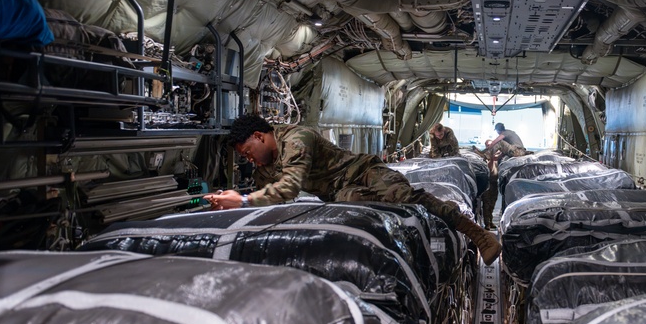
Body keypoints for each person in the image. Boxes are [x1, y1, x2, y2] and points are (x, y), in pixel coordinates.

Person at [204, 114, 501, 264]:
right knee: (357, 210)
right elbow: (271, 202)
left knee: (405, 196)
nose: (249, 158)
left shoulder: (296, 138)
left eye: (247, 151)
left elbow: (289, 187)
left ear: (258, 136)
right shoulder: (264, 169)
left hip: (362, 173)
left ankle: (478, 234)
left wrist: (242, 200)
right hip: (341, 194)